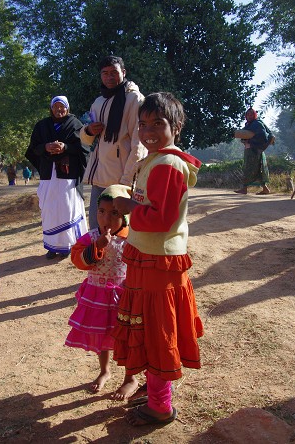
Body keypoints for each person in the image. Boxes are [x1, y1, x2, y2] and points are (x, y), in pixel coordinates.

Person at [112, 92, 204, 426]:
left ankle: (160, 407)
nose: (149, 130)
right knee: (151, 329)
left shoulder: (166, 164)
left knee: (156, 333)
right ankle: (152, 391)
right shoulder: (156, 158)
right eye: (144, 123)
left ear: (176, 126)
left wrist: (130, 208)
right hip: (149, 259)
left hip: (158, 265)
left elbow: (161, 218)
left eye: (158, 123)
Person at [65, 184, 138, 399]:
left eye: (114, 213)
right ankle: (104, 371)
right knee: (102, 334)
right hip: (97, 296)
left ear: (125, 217)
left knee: (126, 337)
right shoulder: (90, 237)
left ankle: (130, 378)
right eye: (101, 212)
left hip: (123, 297)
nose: (106, 218)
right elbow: (78, 259)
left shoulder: (131, 239)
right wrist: (96, 246)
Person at [80, 55, 147, 229]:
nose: (109, 77)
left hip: (120, 179)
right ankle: (99, 257)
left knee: (120, 231)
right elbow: (87, 140)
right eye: (105, 73)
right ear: (100, 76)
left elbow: (139, 144)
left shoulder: (134, 99)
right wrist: (88, 130)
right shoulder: (98, 102)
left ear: (123, 73)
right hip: (100, 176)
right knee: (97, 227)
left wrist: (126, 182)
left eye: (114, 72)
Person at [25, 96, 88, 260]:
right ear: (51, 108)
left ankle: (68, 246)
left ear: (68, 108)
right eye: (56, 107)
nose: (59, 110)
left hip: (68, 175)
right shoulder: (41, 126)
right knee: (49, 210)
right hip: (48, 174)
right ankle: (52, 247)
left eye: (62, 107)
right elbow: (33, 148)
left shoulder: (76, 125)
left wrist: (65, 147)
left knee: (67, 209)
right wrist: (46, 147)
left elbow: (83, 148)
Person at [234, 107, 270, 195]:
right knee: (255, 170)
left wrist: (251, 142)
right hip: (249, 150)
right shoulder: (248, 125)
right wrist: (244, 140)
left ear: (254, 115)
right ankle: (264, 189)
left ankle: (244, 188)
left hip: (255, 151)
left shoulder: (257, 124)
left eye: (251, 114)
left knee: (249, 169)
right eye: (248, 115)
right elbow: (244, 136)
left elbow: (263, 136)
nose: (249, 116)